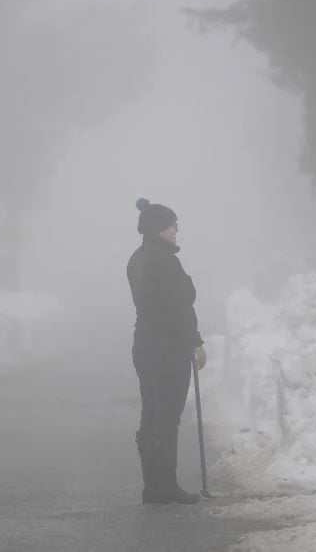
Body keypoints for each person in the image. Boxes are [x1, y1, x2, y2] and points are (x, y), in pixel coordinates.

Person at [127, 198, 208, 504]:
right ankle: (166, 485)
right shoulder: (164, 261)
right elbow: (177, 308)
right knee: (167, 416)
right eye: (173, 225)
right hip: (167, 348)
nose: (177, 230)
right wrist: (195, 342)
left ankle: (154, 485)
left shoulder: (137, 258)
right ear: (160, 228)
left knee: (152, 414)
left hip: (145, 344)